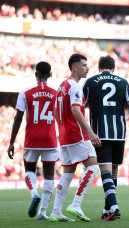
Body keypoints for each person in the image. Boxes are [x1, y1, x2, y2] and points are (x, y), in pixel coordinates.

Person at [82, 55, 129, 221]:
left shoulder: (91, 82)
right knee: (114, 170)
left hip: (100, 132)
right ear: (114, 68)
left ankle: (114, 207)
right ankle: (107, 209)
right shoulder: (123, 82)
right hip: (119, 132)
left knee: (105, 171)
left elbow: (80, 106)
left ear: (99, 68)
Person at [50, 53, 101, 222]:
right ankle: (76, 204)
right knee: (93, 168)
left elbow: (56, 112)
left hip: (64, 136)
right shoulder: (75, 87)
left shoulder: (61, 86)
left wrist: (62, 128)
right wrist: (91, 133)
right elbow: (76, 110)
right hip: (76, 134)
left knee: (67, 174)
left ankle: (56, 212)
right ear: (75, 67)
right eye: (84, 65)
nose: (88, 68)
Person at [7, 61, 58, 220]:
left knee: (29, 170)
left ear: (36, 74)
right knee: (49, 176)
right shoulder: (56, 93)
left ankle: (34, 194)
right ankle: (43, 213)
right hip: (49, 138)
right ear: (50, 75)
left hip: (32, 138)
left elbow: (18, 118)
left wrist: (11, 142)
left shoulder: (25, 92)